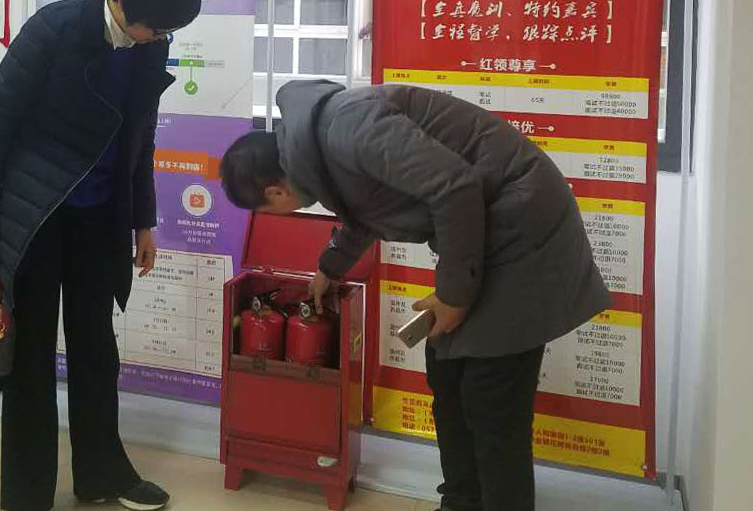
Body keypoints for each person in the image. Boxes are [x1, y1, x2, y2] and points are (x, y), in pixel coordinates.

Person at [220, 79, 611, 511]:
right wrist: (330, 267)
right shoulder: (316, 149)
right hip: (488, 232)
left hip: (526, 227)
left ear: (275, 192)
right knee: (445, 369)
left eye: (268, 210)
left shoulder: (351, 129)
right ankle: (461, 501)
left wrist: (454, 296)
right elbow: (364, 208)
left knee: (491, 396)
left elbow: (455, 187)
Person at [0, 0, 202, 511]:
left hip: (100, 218)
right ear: (122, 0)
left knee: (96, 349)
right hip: (36, 214)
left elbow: (139, 139)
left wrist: (143, 220)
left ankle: (101, 476)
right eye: (156, 26)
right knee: (30, 358)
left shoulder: (149, 46)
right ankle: (26, 496)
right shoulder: (54, 29)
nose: (160, 36)